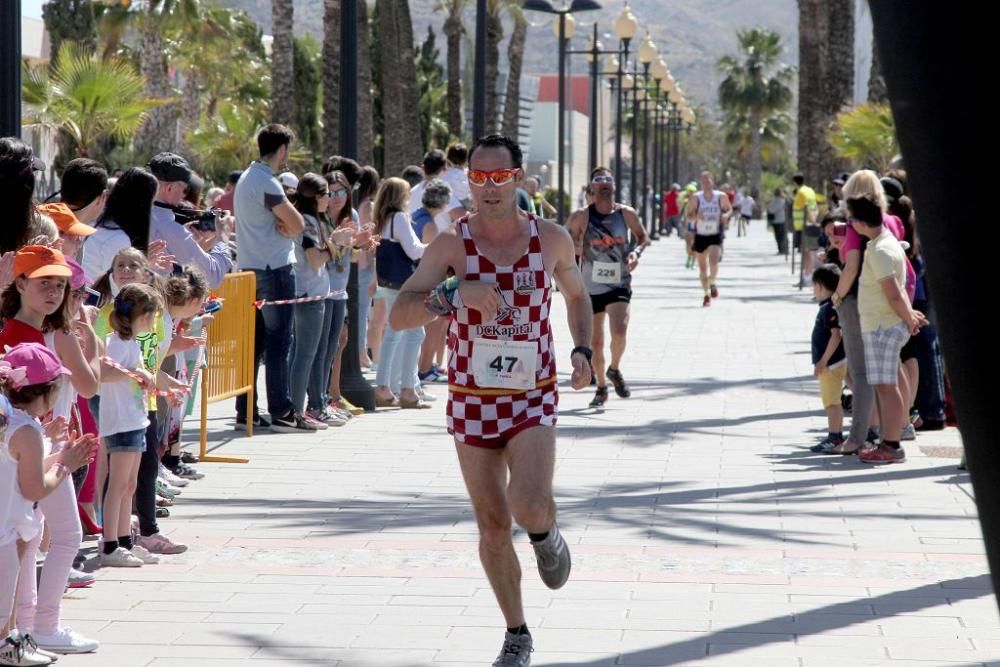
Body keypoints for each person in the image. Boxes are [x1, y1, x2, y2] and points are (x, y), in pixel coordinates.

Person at [388, 134, 593, 666]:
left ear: (519, 179)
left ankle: (546, 533)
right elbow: (400, 314)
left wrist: (583, 351)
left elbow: (576, 297)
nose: (489, 189)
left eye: (500, 178)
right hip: (471, 396)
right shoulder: (451, 245)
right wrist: (453, 295)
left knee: (527, 504)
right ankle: (517, 632)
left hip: (532, 393)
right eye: (478, 179)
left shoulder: (550, 240)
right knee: (493, 524)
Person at [1, 343, 97, 665]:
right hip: (7, 529)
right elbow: (34, 488)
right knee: (4, 608)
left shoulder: (12, 423)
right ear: (46, 393)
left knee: (9, 607)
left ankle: (14, 644)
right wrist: (65, 463)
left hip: (9, 528)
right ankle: (8, 648)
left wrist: (47, 443)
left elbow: (18, 468)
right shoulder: (23, 429)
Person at [843, 172, 927, 464]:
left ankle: (891, 444)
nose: (850, 225)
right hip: (883, 324)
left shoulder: (880, 250)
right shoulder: (883, 243)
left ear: (863, 222)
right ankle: (889, 441)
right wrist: (910, 315)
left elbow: (893, 293)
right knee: (886, 385)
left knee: (886, 387)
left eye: (853, 220)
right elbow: (899, 291)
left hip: (881, 327)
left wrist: (909, 317)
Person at [233, 125, 310, 433]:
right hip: (273, 269)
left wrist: (285, 224)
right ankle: (282, 411)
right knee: (280, 342)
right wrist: (288, 224)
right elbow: (298, 223)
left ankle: (246, 411)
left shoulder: (246, 177)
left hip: (251, 267)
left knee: (256, 343)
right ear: (281, 150)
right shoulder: (266, 181)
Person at [565, 167, 648, 408]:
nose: (603, 184)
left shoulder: (626, 214)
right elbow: (564, 244)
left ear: (614, 187)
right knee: (597, 342)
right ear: (591, 189)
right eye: (598, 182)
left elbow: (643, 237)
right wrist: (575, 250)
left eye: (608, 181)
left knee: (620, 331)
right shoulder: (582, 217)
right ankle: (601, 386)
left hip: (619, 281)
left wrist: (635, 253)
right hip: (590, 286)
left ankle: (614, 369)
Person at [98, 284, 162, 568]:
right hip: (121, 421)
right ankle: (110, 543)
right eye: (148, 315)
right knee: (119, 484)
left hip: (135, 418)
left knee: (129, 484)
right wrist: (134, 373)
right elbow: (104, 372)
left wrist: (143, 374)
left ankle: (124, 540)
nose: (151, 321)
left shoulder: (131, 343)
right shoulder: (115, 342)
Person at [373, 178, 428, 409]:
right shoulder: (399, 218)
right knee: (415, 334)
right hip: (403, 283)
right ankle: (405, 389)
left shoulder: (382, 219)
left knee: (395, 332)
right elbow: (414, 251)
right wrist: (435, 246)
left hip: (388, 282)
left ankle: (386, 387)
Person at [808, 265, 848, 453]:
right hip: (837, 361)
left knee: (831, 402)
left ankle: (834, 437)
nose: (813, 290)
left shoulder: (828, 308)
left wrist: (823, 361)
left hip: (831, 364)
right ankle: (837, 435)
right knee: (834, 401)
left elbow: (836, 335)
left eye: (814, 286)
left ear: (821, 286)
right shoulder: (833, 305)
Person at [685, 171, 732, 307]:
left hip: (715, 234)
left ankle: (713, 282)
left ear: (713, 181)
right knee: (702, 268)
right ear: (701, 183)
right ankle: (706, 294)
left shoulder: (720, 196)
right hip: (700, 235)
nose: (706, 183)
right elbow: (688, 216)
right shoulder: (696, 198)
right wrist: (696, 217)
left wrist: (725, 216)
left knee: (714, 261)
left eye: (708, 180)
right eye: (703, 181)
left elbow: (729, 209)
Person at [767, 188, 788, 255]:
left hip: (775, 221)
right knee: (783, 235)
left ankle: (780, 249)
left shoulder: (772, 201)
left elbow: (770, 210)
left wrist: (775, 210)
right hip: (783, 220)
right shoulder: (783, 201)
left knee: (777, 236)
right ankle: (784, 249)